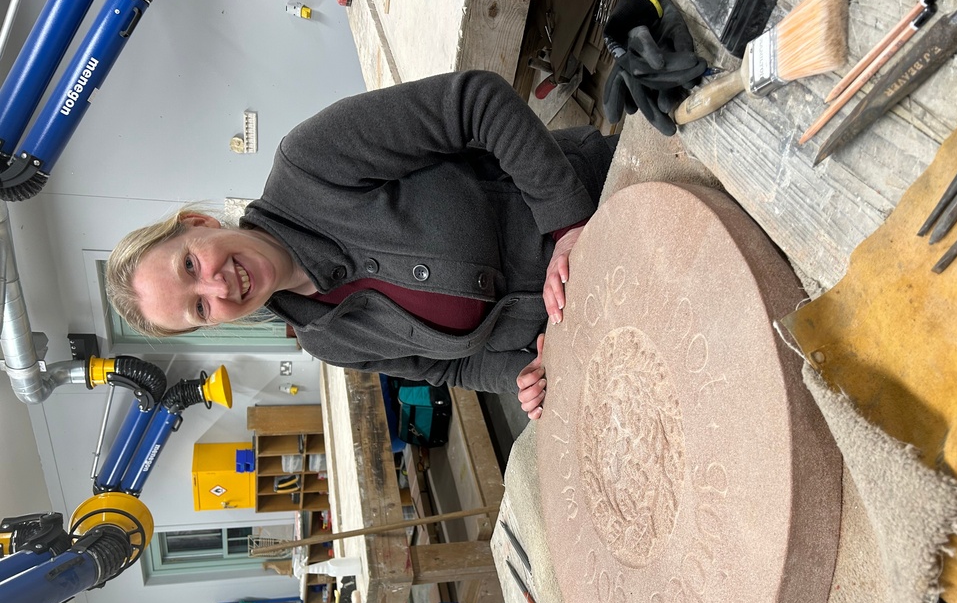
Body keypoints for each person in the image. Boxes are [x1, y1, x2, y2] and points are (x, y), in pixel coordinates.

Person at [106, 70, 616, 420]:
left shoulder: (310, 164)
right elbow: (446, 367)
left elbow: (475, 102)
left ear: (198, 222)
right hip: (586, 327)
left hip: (610, 202)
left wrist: (568, 224)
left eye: (191, 263)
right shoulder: (326, 341)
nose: (217, 285)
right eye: (199, 307)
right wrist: (517, 374)